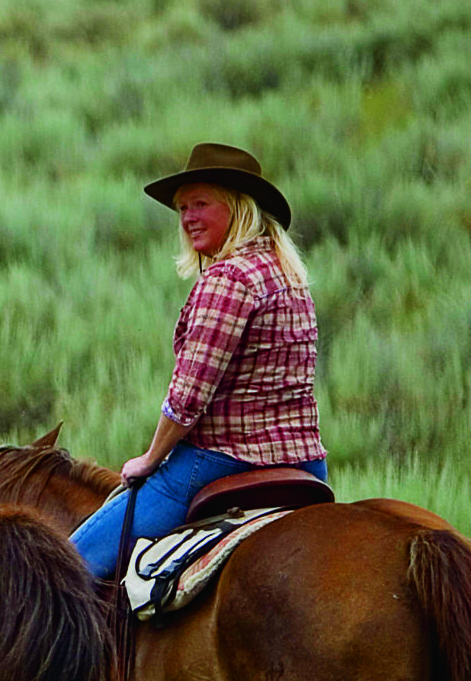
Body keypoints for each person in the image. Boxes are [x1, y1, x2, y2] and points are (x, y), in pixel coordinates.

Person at [69, 142, 324, 578]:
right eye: (182, 208)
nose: (187, 218)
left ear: (239, 208)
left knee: (69, 566)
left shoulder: (229, 278)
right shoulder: (287, 273)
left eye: (201, 204)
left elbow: (188, 396)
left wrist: (149, 460)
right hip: (305, 464)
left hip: (225, 459)